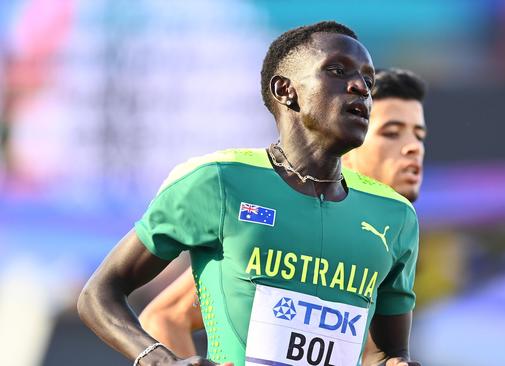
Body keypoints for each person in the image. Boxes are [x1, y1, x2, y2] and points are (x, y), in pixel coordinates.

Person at [78, 21, 421, 366]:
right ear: (286, 90)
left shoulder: (394, 216)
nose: (360, 87)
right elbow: (99, 295)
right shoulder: (218, 181)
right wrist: (159, 360)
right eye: (337, 70)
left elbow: (386, 353)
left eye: (368, 81)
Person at [138, 68, 428, 364]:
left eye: (419, 134)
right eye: (390, 132)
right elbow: (164, 317)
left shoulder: (395, 231)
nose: (412, 147)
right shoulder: (284, 232)